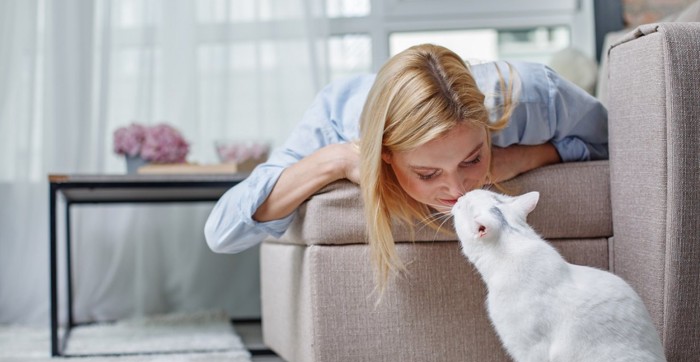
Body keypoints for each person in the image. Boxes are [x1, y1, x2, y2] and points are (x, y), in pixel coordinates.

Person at [204, 43, 608, 290]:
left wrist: (526, 156)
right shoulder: (337, 114)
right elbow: (223, 233)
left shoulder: (535, 96)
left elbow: (614, 143)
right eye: (428, 174)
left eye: (472, 159)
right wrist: (340, 159)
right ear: (385, 154)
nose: (459, 190)